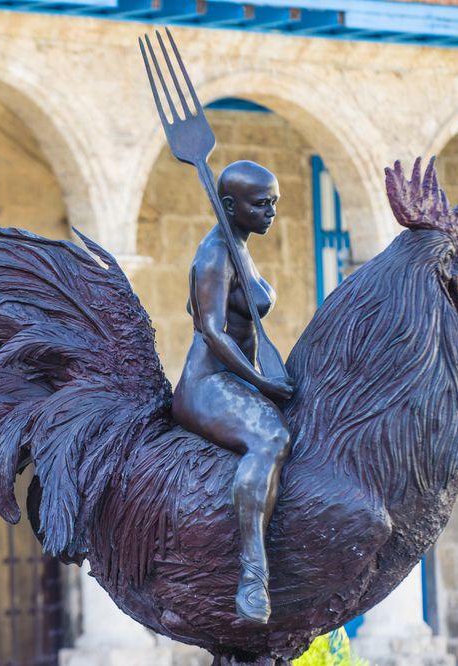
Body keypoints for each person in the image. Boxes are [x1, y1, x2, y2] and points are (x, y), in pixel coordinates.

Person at [171, 160, 294, 624]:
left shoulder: (241, 244)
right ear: (229, 206)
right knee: (271, 439)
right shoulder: (216, 253)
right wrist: (263, 384)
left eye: (274, 202)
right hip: (207, 383)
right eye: (261, 203)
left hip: (238, 378)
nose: (271, 211)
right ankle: (252, 576)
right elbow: (213, 332)